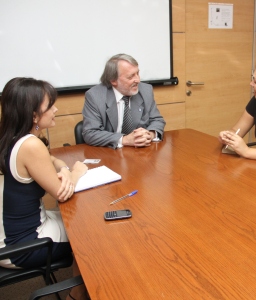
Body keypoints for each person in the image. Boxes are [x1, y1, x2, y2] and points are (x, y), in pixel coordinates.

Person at [0, 77, 89, 300]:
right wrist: (77, 171)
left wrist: (65, 171)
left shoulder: (15, 137)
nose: (55, 109)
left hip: (11, 231)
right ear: (33, 114)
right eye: (50, 106)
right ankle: (76, 295)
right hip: (22, 244)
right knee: (88, 232)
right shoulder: (30, 145)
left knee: (80, 219)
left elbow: (53, 161)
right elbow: (62, 192)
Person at [82, 53, 166, 148]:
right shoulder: (95, 96)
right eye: (131, 77)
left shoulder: (145, 90)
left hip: (141, 153)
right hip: (110, 154)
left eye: (137, 73)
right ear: (113, 81)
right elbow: (90, 133)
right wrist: (124, 140)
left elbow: (157, 120)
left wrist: (149, 135)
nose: (138, 80)